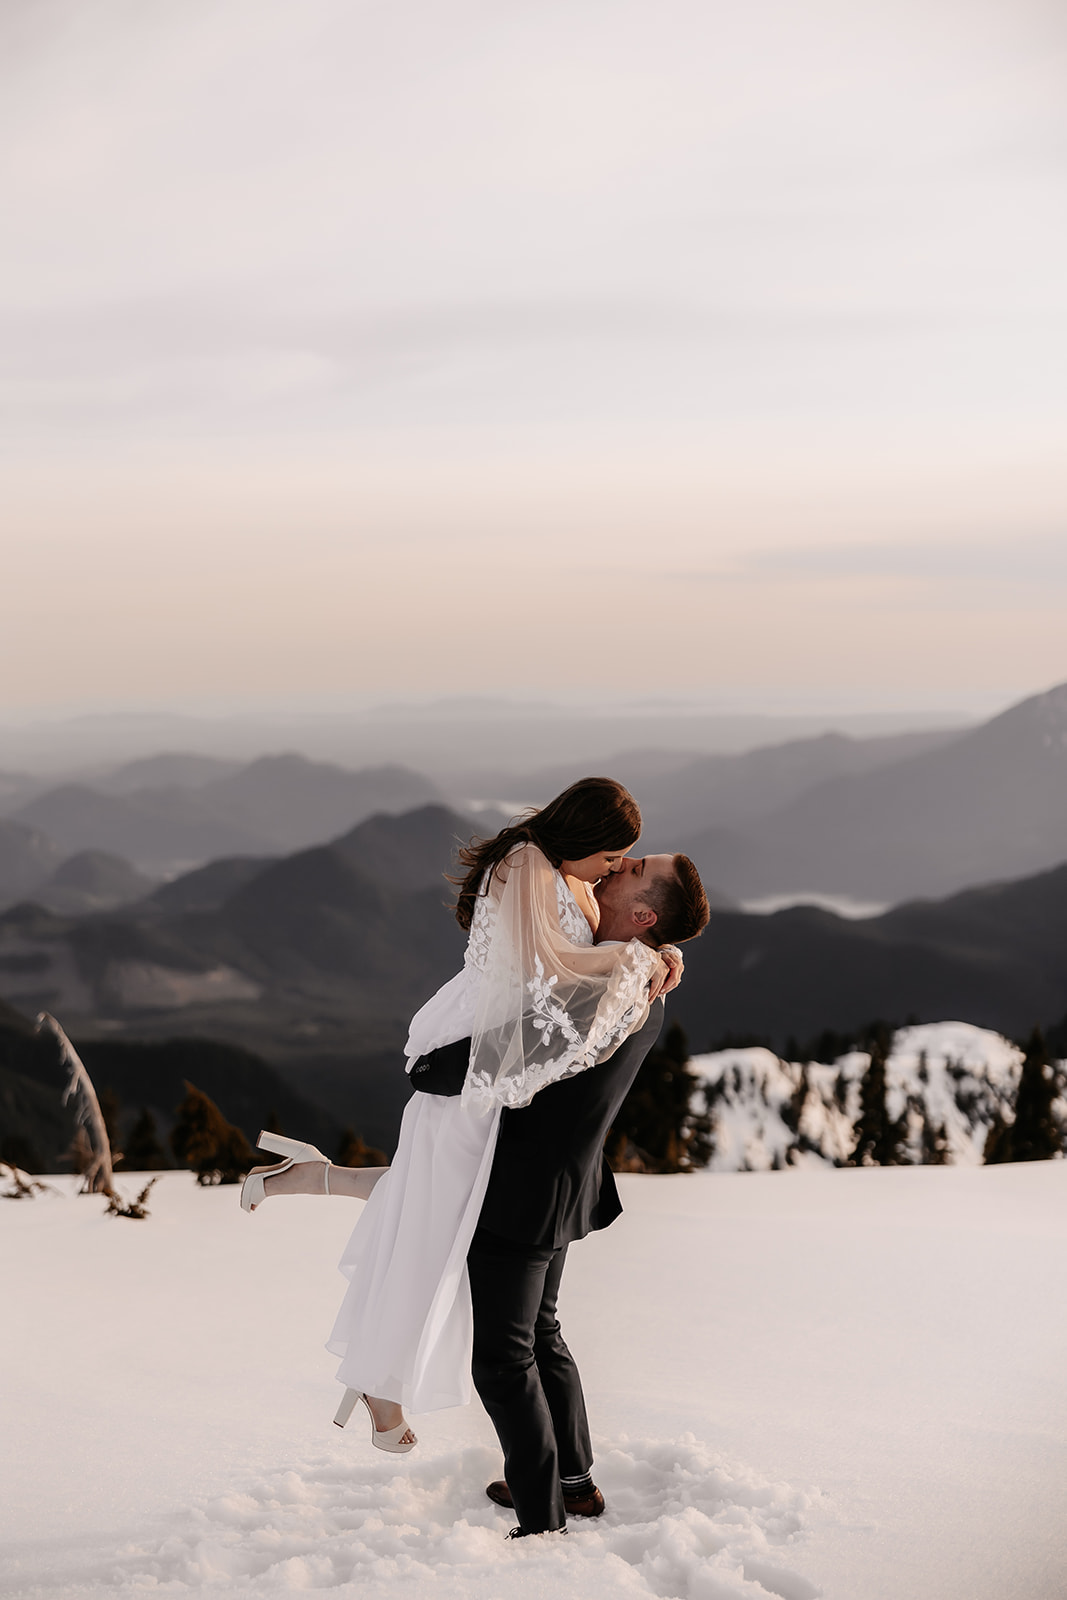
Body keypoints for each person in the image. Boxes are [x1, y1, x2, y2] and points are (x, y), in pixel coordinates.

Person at [240, 779, 698, 1464]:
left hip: (496, 1058)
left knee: (438, 1198)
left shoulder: (565, 873)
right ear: (582, 837)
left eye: (628, 863)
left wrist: (653, 954)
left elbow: (591, 961)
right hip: (475, 1054)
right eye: (616, 855)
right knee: (437, 1216)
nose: (616, 867)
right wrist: (642, 960)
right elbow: (559, 977)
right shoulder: (526, 872)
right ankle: (376, 1383)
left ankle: (315, 1184)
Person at [437, 848, 710, 1534]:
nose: (617, 865)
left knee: (502, 1359)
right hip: (563, 1183)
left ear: (643, 912)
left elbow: (508, 1059)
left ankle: (541, 1516)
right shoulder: (636, 968)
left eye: (635, 866)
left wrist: (425, 1062)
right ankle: (575, 1484)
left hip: (525, 1190)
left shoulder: (614, 983)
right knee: (539, 1335)